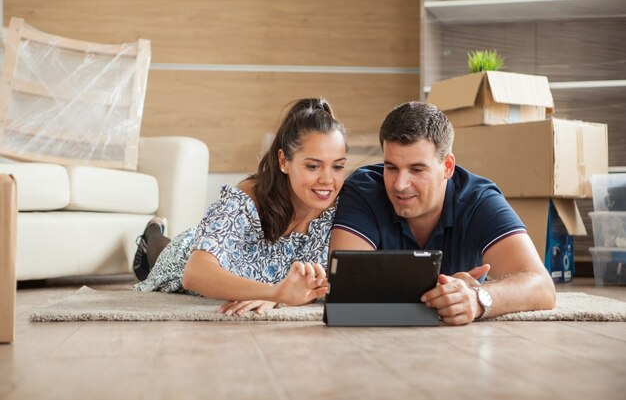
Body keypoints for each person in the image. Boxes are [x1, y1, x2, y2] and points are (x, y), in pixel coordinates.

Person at [329, 101, 556, 325]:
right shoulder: (363, 190)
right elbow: (345, 284)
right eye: (391, 168)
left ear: (447, 166)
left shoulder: (479, 200)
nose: (399, 184)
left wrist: (476, 299)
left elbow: (542, 287)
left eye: (417, 169)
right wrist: (441, 292)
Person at [133, 97, 348, 315]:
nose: (327, 180)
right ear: (283, 161)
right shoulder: (249, 195)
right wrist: (275, 293)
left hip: (250, 277)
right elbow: (194, 274)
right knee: (162, 254)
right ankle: (151, 234)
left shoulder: (343, 209)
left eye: (338, 166)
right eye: (313, 166)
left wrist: (282, 297)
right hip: (189, 256)